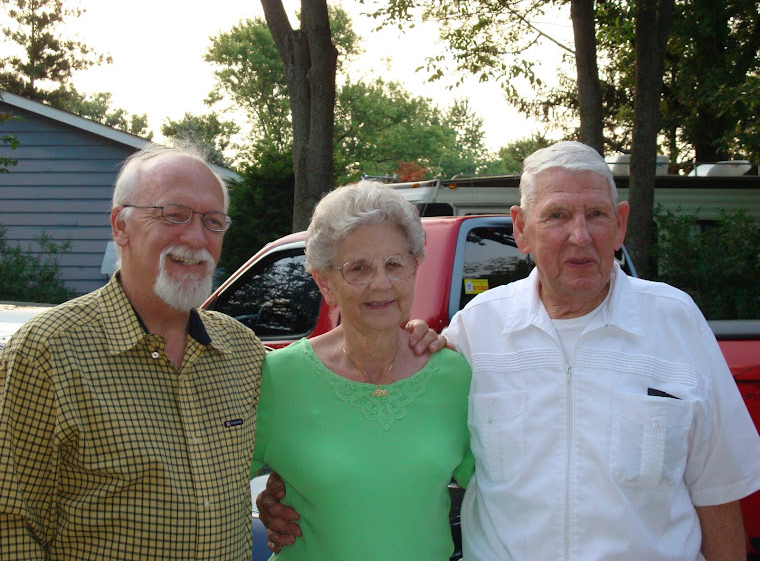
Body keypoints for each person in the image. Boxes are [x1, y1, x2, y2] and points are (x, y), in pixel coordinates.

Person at [261, 141, 760, 560]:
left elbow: (717, 492)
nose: (579, 235)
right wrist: (290, 492)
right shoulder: (477, 331)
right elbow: (382, 409)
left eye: (596, 215)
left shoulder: (675, 322)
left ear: (621, 224)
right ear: (521, 228)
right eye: (557, 216)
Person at [0, 144, 267, 560]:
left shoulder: (242, 352)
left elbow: (298, 453)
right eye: (174, 215)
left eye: (213, 222)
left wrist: (405, 344)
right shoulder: (48, 353)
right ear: (120, 226)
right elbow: (12, 523)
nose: (197, 238)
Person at [250, 180, 473, 559]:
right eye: (358, 268)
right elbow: (208, 485)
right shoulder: (277, 377)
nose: (381, 283)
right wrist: (263, 509)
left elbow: (500, 488)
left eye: (394, 264)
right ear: (325, 282)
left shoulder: (454, 375)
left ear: (416, 266)